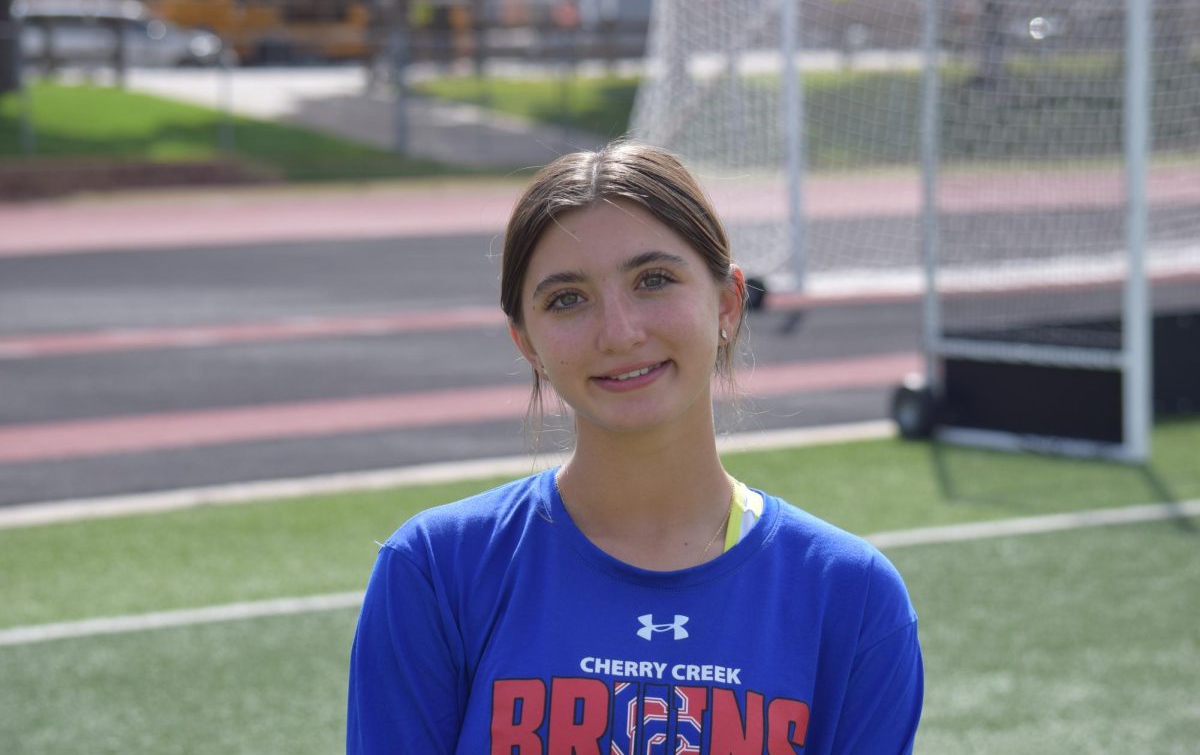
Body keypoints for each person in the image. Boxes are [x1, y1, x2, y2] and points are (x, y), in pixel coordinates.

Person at [347, 141, 923, 754]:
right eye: (567, 298)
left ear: (728, 301)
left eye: (654, 280)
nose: (620, 332)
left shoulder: (850, 593)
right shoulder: (438, 569)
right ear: (527, 343)